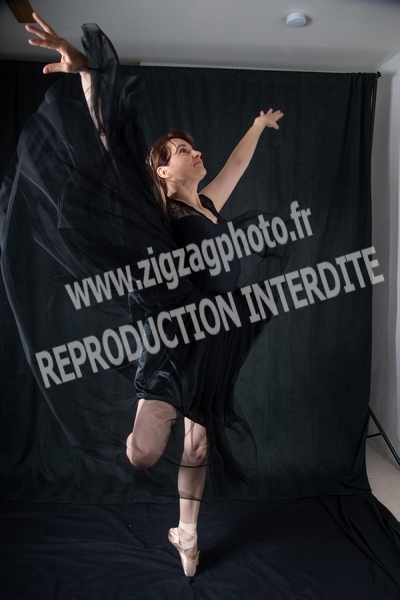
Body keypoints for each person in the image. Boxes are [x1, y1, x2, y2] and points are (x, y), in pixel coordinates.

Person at [19, 13, 286, 577]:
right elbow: (113, 142)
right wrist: (87, 71)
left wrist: (258, 126)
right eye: (183, 150)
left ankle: (186, 532)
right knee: (142, 454)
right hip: (171, 337)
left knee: (200, 445)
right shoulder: (158, 212)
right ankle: (147, 410)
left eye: (193, 147)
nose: (196, 152)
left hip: (214, 336)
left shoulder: (207, 205)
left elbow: (237, 164)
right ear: (163, 172)